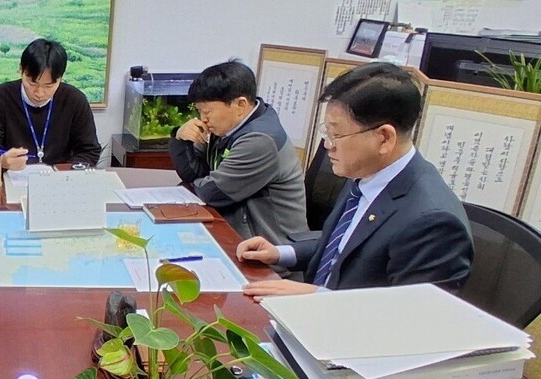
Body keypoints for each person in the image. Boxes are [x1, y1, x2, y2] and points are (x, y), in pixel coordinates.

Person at [236, 63, 473, 297]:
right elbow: (345, 244)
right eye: (327, 132)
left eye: (337, 134)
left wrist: (314, 297)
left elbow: (410, 313)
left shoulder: (433, 223)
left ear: (384, 138)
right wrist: (281, 253)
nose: (328, 145)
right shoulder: (367, 172)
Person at [168, 60, 307, 244]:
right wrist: (180, 139)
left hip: (270, 249)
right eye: (199, 111)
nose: (203, 119)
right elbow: (194, 174)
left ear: (240, 105)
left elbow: (211, 193)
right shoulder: (225, 127)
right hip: (234, 233)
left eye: (207, 112)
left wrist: (202, 182)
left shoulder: (259, 141)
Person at [0, 38, 101, 169]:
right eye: (32, 83)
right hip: (11, 175)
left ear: (60, 78)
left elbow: (89, 151)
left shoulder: (74, 100)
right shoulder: (0, 97)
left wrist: (64, 172)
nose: (39, 93)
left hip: (59, 177)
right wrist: (2, 160)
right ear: (21, 70)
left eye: (49, 86)